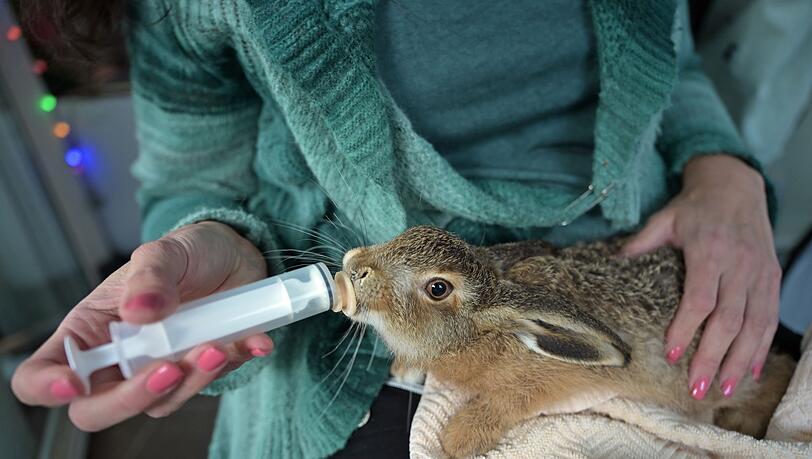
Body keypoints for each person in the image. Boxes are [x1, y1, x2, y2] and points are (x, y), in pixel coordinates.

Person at [13, 1, 783, 457]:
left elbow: (668, 64)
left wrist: (724, 169)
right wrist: (219, 242)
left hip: (654, 273)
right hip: (341, 369)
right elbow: (191, 175)